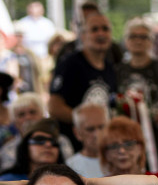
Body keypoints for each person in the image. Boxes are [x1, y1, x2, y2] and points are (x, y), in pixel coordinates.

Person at [49, 12, 117, 146]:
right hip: (74, 146)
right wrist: (87, 122)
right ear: (83, 36)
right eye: (94, 29)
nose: (101, 34)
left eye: (105, 29)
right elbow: (54, 107)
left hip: (100, 147)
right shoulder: (70, 64)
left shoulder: (110, 67)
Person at [117, 18, 158, 173]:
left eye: (143, 37)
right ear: (126, 41)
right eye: (133, 36)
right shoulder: (119, 70)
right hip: (128, 137)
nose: (138, 41)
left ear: (151, 42)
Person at [89, 116, 155, 185]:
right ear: (106, 154)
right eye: (114, 146)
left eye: (128, 144)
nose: (122, 151)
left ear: (140, 148)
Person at [0, 119, 65, 181]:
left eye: (54, 142)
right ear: (25, 147)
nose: (48, 144)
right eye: (39, 140)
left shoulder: (67, 180)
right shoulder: (8, 181)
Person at [65, 102, 110, 179]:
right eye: (90, 129)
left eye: (101, 127)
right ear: (77, 133)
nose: (97, 134)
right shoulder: (71, 167)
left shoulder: (122, 158)